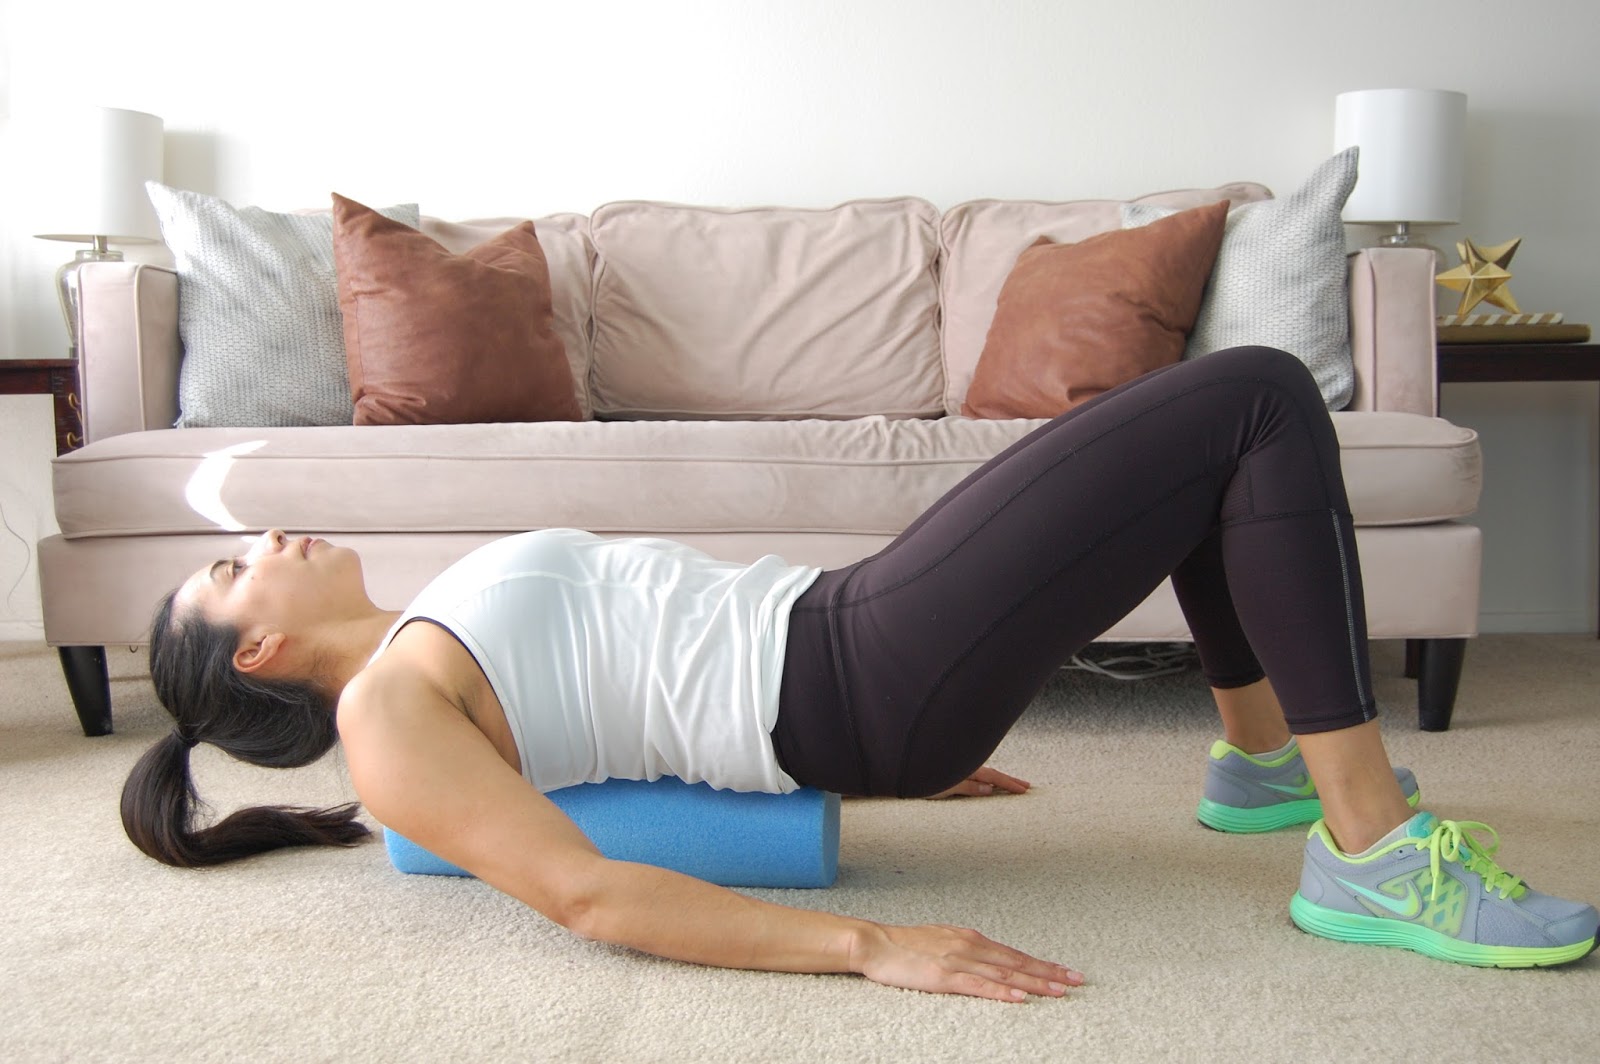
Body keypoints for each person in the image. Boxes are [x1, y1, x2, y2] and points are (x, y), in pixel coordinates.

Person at [122, 346, 1598, 1000]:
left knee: (1217, 452)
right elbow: (583, 891)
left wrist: (837, 774)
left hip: (849, 648)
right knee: (1261, 398)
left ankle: (1267, 772)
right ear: (255, 650)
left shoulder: (416, 657)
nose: (268, 537)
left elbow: (614, 750)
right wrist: (871, 946)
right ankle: (1369, 851)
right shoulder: (385, 719)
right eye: (234, 566)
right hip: (848, 666)